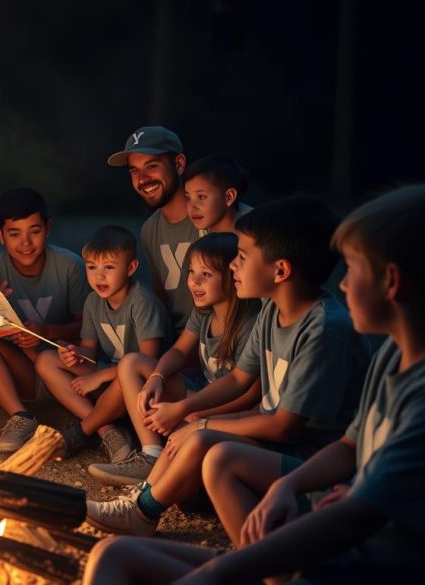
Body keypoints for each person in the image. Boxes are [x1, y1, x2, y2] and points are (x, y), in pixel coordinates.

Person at [86, 186, 425, 584]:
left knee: (212, 451)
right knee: (114, 552)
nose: (344, 284)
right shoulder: (389, 355)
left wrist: (202, 423)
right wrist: (188, 412)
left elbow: (290, 433)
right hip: (306, 476)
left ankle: (148, 512)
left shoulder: (328, 331)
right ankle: (150, 504)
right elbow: (244, 381)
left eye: (352, 270)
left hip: (312, 479)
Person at [89, 232, 261, 486]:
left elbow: (249, 396)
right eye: (192, 272)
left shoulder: (250, 324)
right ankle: (151, 454)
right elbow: (179, 351)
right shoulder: (204, 311)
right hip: (199, 394)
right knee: (131, 362)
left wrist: (196, 413)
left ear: (232, 275)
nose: (194, 281)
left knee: (186, 440)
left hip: (229, 409)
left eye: (206, 274)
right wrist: (156, 378)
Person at [34, 226, 172, 464]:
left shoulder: (142, 302)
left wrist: (97, 378)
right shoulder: (92, 301)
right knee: (46, 360)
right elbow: (89, 350)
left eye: (109, 267)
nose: (99, 276)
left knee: (123, 377)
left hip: (143, 385)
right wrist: (75, 353)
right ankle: (109, 431)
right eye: (92, 267)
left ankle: (81, 431)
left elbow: (148, 361)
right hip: (110, 376)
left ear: (131, 268)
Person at [0, 187, 86, 453]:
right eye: (14, 234)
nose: (25, 242)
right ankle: (21, 416)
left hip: (66, 368)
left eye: (34, 231)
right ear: (0, 235)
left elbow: (88, 327)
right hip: (25, 373)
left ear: (47, 229)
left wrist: (47, 331)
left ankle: (77, 414)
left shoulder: (70, 266)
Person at [108, 125, 197, 333]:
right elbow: (160, 299)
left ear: (179, 164)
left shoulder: (217, 216)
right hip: (175, 341)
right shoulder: (150, 229)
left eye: (152, 166)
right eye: (134, 171)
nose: (142, 179)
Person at [181, 154, 253, 235]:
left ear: (229, 197)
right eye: (188, 198)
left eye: (202, 197)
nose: (192, 207)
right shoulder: (194, 232)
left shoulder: (257, 232)